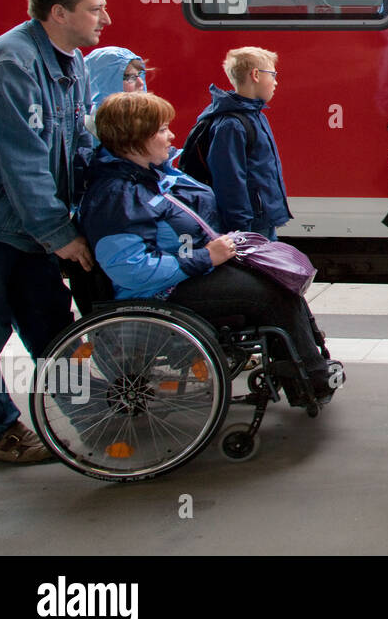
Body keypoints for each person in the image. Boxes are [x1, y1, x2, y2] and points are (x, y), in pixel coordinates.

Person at [80, 92, 341, 405]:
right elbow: (131, 268)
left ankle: (309, 372)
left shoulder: (144, 176)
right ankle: (311, 381)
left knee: (276, 276)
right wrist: (205, 257)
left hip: (181, 277)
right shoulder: (117, 195)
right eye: (163, 129)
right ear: (136, 137)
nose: (171, 135)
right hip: (159, 292)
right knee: (270, 295)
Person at [0, 0, 107, 464]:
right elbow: (23, 160)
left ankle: (92, 415)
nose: (106, 17)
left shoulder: (72, 61)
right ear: (59, 13)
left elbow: (79, 142)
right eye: (95, 8)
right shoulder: (9, 64)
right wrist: (60, 232)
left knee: (55, 328)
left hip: (31, 229)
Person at [192, 47, 291, 239]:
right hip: (250, 224)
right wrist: (241, 228)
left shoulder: (255, 116)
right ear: (255, 75)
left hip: (263, 218)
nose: (276, 82)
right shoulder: (232, 126)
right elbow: (230, 181)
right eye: (272, 74)